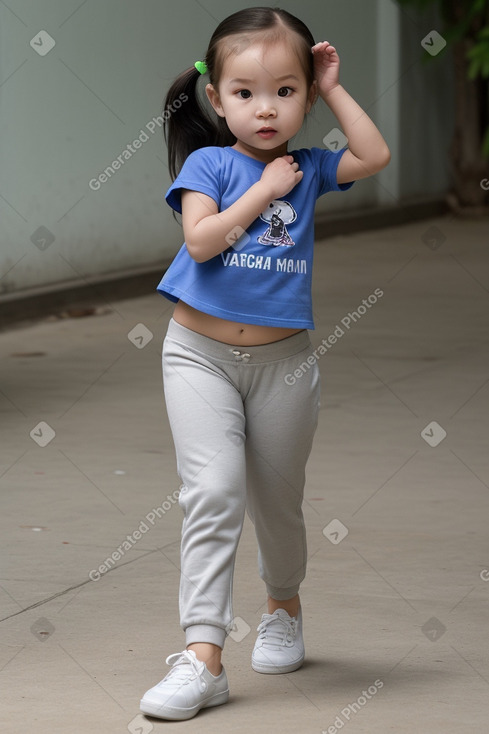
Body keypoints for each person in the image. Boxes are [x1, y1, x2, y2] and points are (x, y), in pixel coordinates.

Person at [140, 5, 390, 721]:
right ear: (216, 100)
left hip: (283, 363)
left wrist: (335, 86)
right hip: (198, 357)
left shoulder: (311, 167)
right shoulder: (209, 164)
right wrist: (263, 191)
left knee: (276, 505)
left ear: (305, 97)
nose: (266, 107)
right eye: (245, 92)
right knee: (213, 492)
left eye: (286, 89)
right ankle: (202, 657)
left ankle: (283, 606)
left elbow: (373, 156)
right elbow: (201, 244)